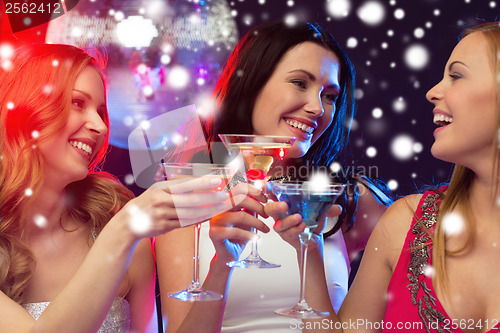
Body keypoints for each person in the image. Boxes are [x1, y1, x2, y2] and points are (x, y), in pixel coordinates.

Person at [156, 20, 391, 332]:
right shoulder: (186, 194)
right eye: (299, 83)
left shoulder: (345, 199)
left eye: (330, 95)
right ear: (253, 82)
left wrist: (312, 248)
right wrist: (220, 267)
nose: (317, 108)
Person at [265, 21, 500, 332]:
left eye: (456, 76)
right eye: (298, 82)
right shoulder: (405, 222)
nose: (433, 92)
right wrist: (308, 248)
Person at [0, 43, 232, 332]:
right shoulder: (123, 228)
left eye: (100, 110)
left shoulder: (116, 225)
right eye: (77, 103)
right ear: (27, 109)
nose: (100, 125)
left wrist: (223, 263)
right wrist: (123, 229)